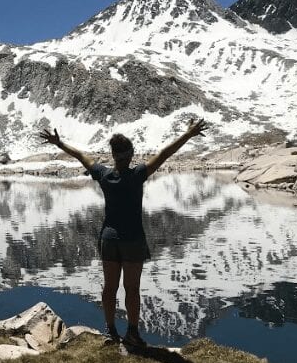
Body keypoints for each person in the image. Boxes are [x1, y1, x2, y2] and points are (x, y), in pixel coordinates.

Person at [38, 118, 208, 348]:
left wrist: (59, 144)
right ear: (129, 155)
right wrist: (188, 134)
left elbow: (80, 156)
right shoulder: (138, 174)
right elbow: (165, 153)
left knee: (109, 287)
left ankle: (110, 331)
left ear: (114, 156)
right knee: (132, 289)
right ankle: (132, 333)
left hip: (109, 239)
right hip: (132, 241)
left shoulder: (104, 175)